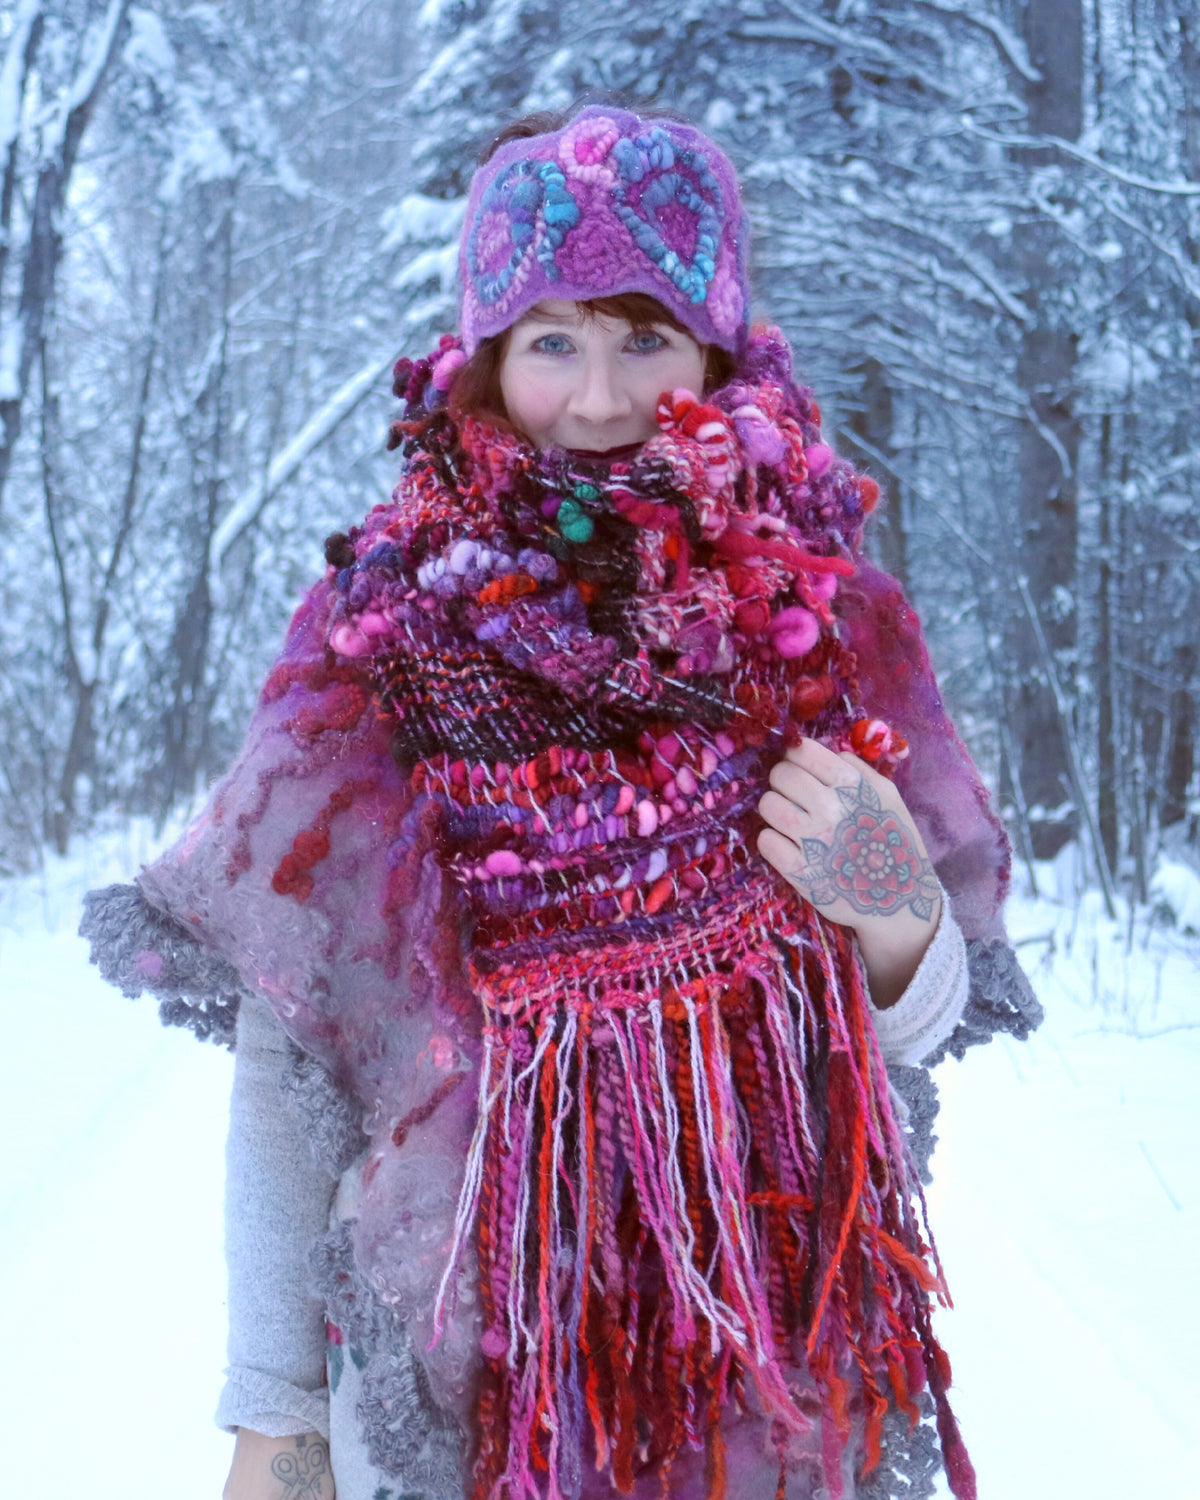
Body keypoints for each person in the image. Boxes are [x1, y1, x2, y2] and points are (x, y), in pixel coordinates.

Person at [81, 102, 1041, 1500]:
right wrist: (274, 1415)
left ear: (713, 346)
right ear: (487, 357)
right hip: (473, 1377)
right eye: (553, 342)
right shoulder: (380, 643)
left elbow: (901, 1039)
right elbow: (294, 1061)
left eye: (644, 335)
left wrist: (898, 909)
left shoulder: (824, 628)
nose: (600, 399)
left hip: (774, 1381)